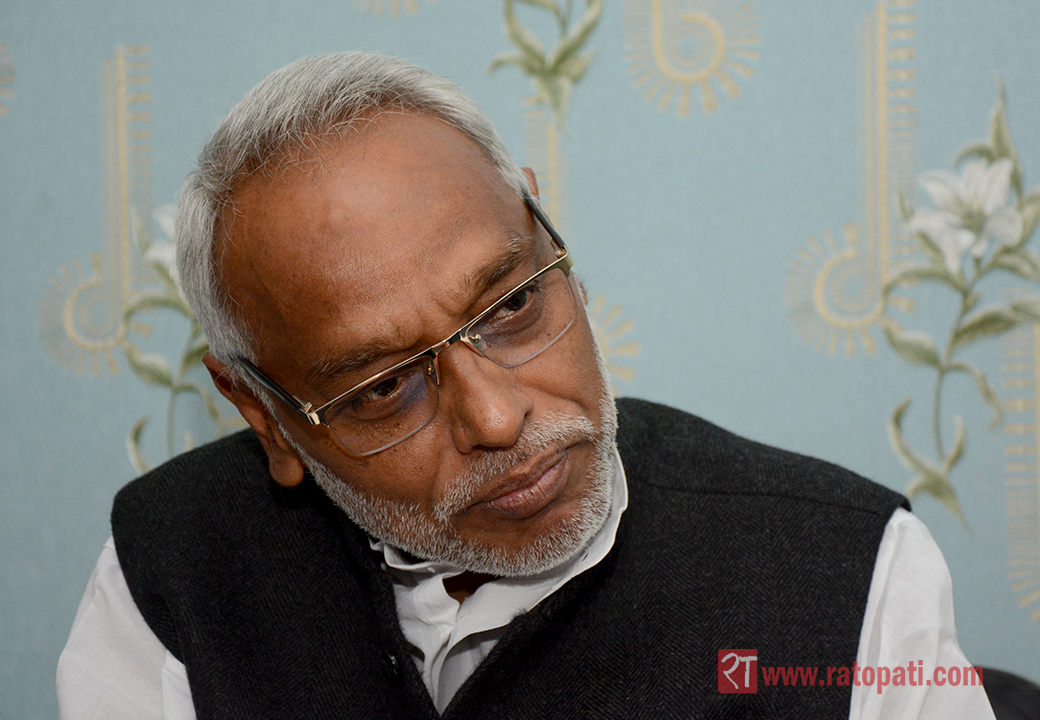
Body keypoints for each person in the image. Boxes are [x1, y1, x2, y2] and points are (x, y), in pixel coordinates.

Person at [56, 51, 995, 719]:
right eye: (382, 388)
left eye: (510, 305)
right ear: (263, 413)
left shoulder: (854, 574)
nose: (498, 417)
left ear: (544, 231)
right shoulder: (170, 571)